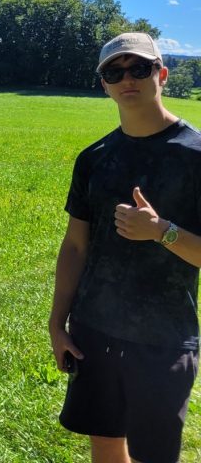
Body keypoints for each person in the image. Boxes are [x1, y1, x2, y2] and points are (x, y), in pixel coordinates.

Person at [49, 32, 201, 463]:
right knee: (105, 443)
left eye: (139, 68)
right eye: (114, 73)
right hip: (94, 330)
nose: (127, 79)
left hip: (164, 337)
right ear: (104, 85)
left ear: (162, 74)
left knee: (155, 454)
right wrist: (58, 323)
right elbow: (75, 246)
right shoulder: (94, 158)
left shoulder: (195, 156)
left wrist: (162, 231)